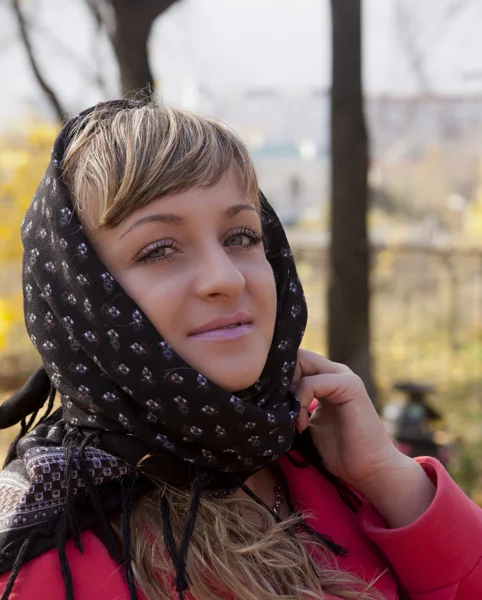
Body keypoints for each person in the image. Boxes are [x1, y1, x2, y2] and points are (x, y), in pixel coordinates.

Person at [0, 99, 480, 600]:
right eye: (159, 249)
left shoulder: (333, 469)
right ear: (82, 297)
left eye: (241, 237)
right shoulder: (48, 560)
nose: (225, 279)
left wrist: (390, 478)